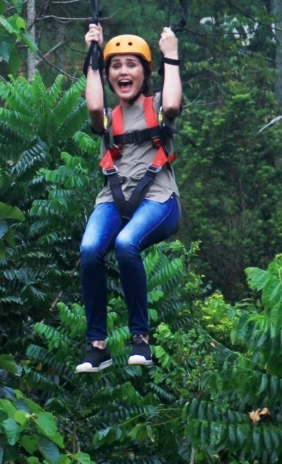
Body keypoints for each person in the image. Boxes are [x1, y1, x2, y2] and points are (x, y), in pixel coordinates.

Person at [75, 25, 182, 371]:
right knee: (90, 250)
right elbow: (92, 105)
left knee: (125, 245)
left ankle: (141, 340)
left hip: (159, 198)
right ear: (108, 76)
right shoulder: (107, 118)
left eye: (131, 65)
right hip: (113, 198)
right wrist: (93, 54)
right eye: (116, 66)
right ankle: (97, 345)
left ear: (145, 73)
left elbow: (174, 102)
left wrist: (171, 54)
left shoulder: (157, 107)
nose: (123, 72)